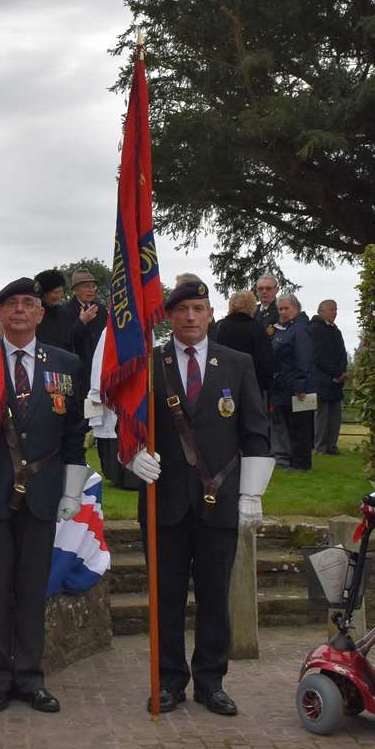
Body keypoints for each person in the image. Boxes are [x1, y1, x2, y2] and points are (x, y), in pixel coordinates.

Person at [130, 278, 271, 715]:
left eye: (198, 308)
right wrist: (130, 459)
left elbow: (256, 431)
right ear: (168, 316)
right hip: (164, 500)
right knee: (166, 598)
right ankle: (168, 681)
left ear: (212, 314)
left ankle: (211, 683)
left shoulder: (237, 363)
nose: (190, 317)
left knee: (215, 598)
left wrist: (251, 494)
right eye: (182, 310)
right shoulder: (147, 364)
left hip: (219, 501)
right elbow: (124, 426)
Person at [0, 277, 86, 715]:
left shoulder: (66, 363)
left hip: (42, 492)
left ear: (41, 313)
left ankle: (31, 677)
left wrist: (72, 491)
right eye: (10, 304)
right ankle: (0, 678)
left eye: (28, 304)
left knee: (32, 587)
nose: (19, 310)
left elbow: (75, 433)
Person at [268, 293, 316, 470]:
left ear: (296, 308)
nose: (283, 312)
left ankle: (301, 464)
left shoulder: (301, 329)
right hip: (285, 386)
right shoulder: (287, 328)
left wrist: (300, 384)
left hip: (297, 387)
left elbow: (303, 358)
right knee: (290, 425)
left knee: (299, 427)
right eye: (280, 309)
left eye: (286, 308)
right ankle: (292, 461)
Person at [212, 290, 273, 397]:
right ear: (252, 306)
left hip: (224, 385)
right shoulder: (257, 329)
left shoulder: (219, 327)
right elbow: (266, 361)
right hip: (252, 386)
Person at [307, 300, 348, 455]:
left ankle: (332, 445)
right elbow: (318, 356)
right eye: (331, 309)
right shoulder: (315, 329)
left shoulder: (336, 331)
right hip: (321, 380)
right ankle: (320, 447)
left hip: (336, 381)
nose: (335, 312)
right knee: (322, 416)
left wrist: (342, 372)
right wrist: (335, 374)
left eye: (336, 309)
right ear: (321, 311)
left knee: (335, 416)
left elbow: (343, 354)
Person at [34, 268, 74, 351]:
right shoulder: (34, 314)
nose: (59, 296)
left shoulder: (65, 313)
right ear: (43, 293)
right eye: (55, 292)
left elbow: (70, 343)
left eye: (61, 292)